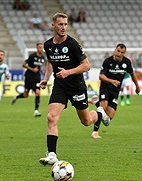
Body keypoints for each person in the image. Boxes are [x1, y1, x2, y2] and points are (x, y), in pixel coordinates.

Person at [38, 12, 110, 165]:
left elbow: (86, 66)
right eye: (60, 24)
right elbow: (50, 62)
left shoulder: (72, 44)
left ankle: (99, 113)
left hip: (76, 86)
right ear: (53, 25)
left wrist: (68, 72)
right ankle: (52, 154)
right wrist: (45, 79)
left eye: (65, 24)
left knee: (86, 121)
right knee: (51, 117)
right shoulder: (48, 45)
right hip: (60, 85)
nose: (64, 27)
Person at [89, 44, 140, 138]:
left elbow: (132, 74)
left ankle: (96, 101)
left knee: (108, 119)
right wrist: (111, 81)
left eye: (122, 52)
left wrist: (137, 86)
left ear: (124, 53)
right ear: (115, 50)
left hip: (115, 91)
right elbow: (101, 76)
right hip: (105, 88)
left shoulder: (127, 62)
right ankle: (95, 132)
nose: (119, 54)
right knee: (102, 108)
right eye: (118, 51)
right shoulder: (107, 61)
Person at [11, 42, 45, 117]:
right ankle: (16, 97)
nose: (41, 49)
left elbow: (39, 67)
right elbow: (24, 64)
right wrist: (32, 69)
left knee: (38, 92)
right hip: (29, 77)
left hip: (37, 78)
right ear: (37, 48)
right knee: (26, 95)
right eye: (40, 47)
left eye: (42, 47)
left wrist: (41, 70)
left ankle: (36, 111)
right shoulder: (32, 56)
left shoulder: (42, 58)